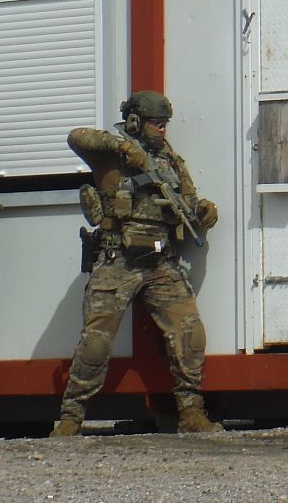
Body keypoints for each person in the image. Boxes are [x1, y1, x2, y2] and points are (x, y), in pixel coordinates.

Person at [51, 91, 221, 437]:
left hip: (161, 264)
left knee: (191, 334)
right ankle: (71, 417)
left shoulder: (171, 161)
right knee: (95, 344)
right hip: (118, 260)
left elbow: (187, 202)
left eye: (165, 124)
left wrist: (203, 211)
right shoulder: (110, 153)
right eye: (157, 124)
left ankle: (191, 411)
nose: (163, 130)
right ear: (135, 122)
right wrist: (124, 147)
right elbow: (76, 137)